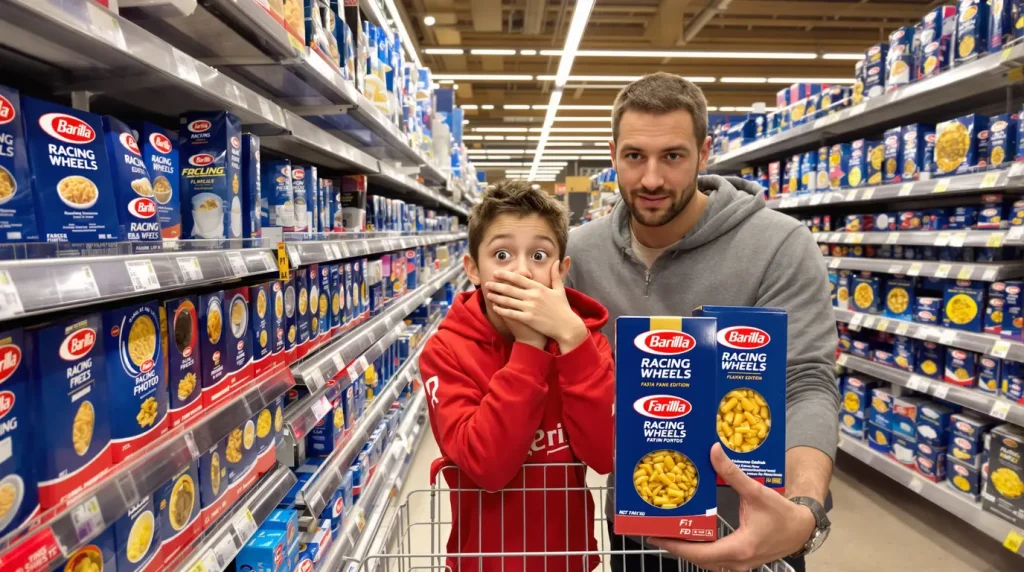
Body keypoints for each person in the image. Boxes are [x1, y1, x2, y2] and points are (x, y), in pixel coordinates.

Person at [565, 72, 841, 572]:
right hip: (639, 517)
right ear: (613, 154)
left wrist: (803, 511)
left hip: (756, 531)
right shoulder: (577, 255)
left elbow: (805, 382)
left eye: (672, 156)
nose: (651, 179)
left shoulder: (778, 244)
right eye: (634, 157)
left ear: (704, 151)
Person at [419, 180, 615, 572]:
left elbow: (604, 453)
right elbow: (488, 467)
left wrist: (574, 342)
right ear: (473, 269)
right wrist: (529, 350)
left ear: (561, 271)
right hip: (483, 563)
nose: (522, 270)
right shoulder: (446, 353)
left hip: (569, 560)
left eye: (539, 255)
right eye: (502, 254)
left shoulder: (585, 343)